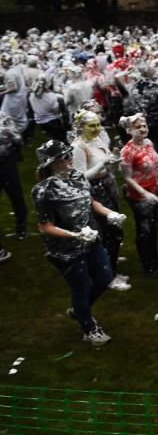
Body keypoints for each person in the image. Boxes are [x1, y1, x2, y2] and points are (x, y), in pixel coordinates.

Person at [32, 139, 126, 345]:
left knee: (105, 277)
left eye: (69, 154)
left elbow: (92, 202)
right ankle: (89, 328)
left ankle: (79, 310)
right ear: (52, 163)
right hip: (66, 250)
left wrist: (110, 214)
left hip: (91, 240)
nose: (69, 159)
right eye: (64, 157)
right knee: (82, 286)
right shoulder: (44, 190)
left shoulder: (78, 177)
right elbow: (45, 226)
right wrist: (74, 235)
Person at [71, 109, 129, 290]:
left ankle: (110, 265)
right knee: (106, 231)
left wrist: (114, 161)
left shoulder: (98, 140)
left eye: (98, 124)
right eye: (92, 125)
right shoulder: (78, 147)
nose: (96, 128)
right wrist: (102, 165)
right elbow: (80, 178)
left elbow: (107, 166)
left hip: (107, 186)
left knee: (115, 229)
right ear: (81, 127)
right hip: (95, 192)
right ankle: (108, 276)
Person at [119, 113, 158, 277]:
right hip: (139, 196)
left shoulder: (148, 143)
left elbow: (155, 168)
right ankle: (148, 266)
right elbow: (127, 178)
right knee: (144, 230)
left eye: (144, 126)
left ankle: (155, 258)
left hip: (155, 191)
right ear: (129, 130)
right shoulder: (127, 151)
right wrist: (144, 193)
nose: (142, 129)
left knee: (154, 226)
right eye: (138, 127)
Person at [0, 112, 27, 242]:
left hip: (7, 165)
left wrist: (6, 134)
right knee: (16, 197)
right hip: (7, 163)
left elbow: (18, 139)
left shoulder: (3, 117)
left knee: (16, 196)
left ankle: (21, 228)